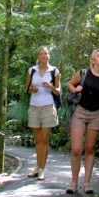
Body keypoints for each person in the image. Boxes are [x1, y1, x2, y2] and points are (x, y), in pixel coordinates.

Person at [66, 48, 99, 194]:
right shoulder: (83, 74)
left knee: (90, 149)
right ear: (93, 61)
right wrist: (75, 90)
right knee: (76, 150)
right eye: (98, 56)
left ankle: (87, 182)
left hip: (96, 115)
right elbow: (69, 84)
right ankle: (73, 182)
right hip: (79, 113)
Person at [25, 46, 60, 180]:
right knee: (38, 139)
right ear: (38, 57)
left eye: (45, 53)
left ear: (49, 56)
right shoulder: (32, 70)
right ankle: (37, 166)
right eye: (41, 54)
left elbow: (58, 91)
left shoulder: (54, 71)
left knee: (45, 139)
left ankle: (42, 169)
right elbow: (26, 89)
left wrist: (50, 86)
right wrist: (32, 90)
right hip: (34, 107)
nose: (43, 56)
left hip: (48, 107)